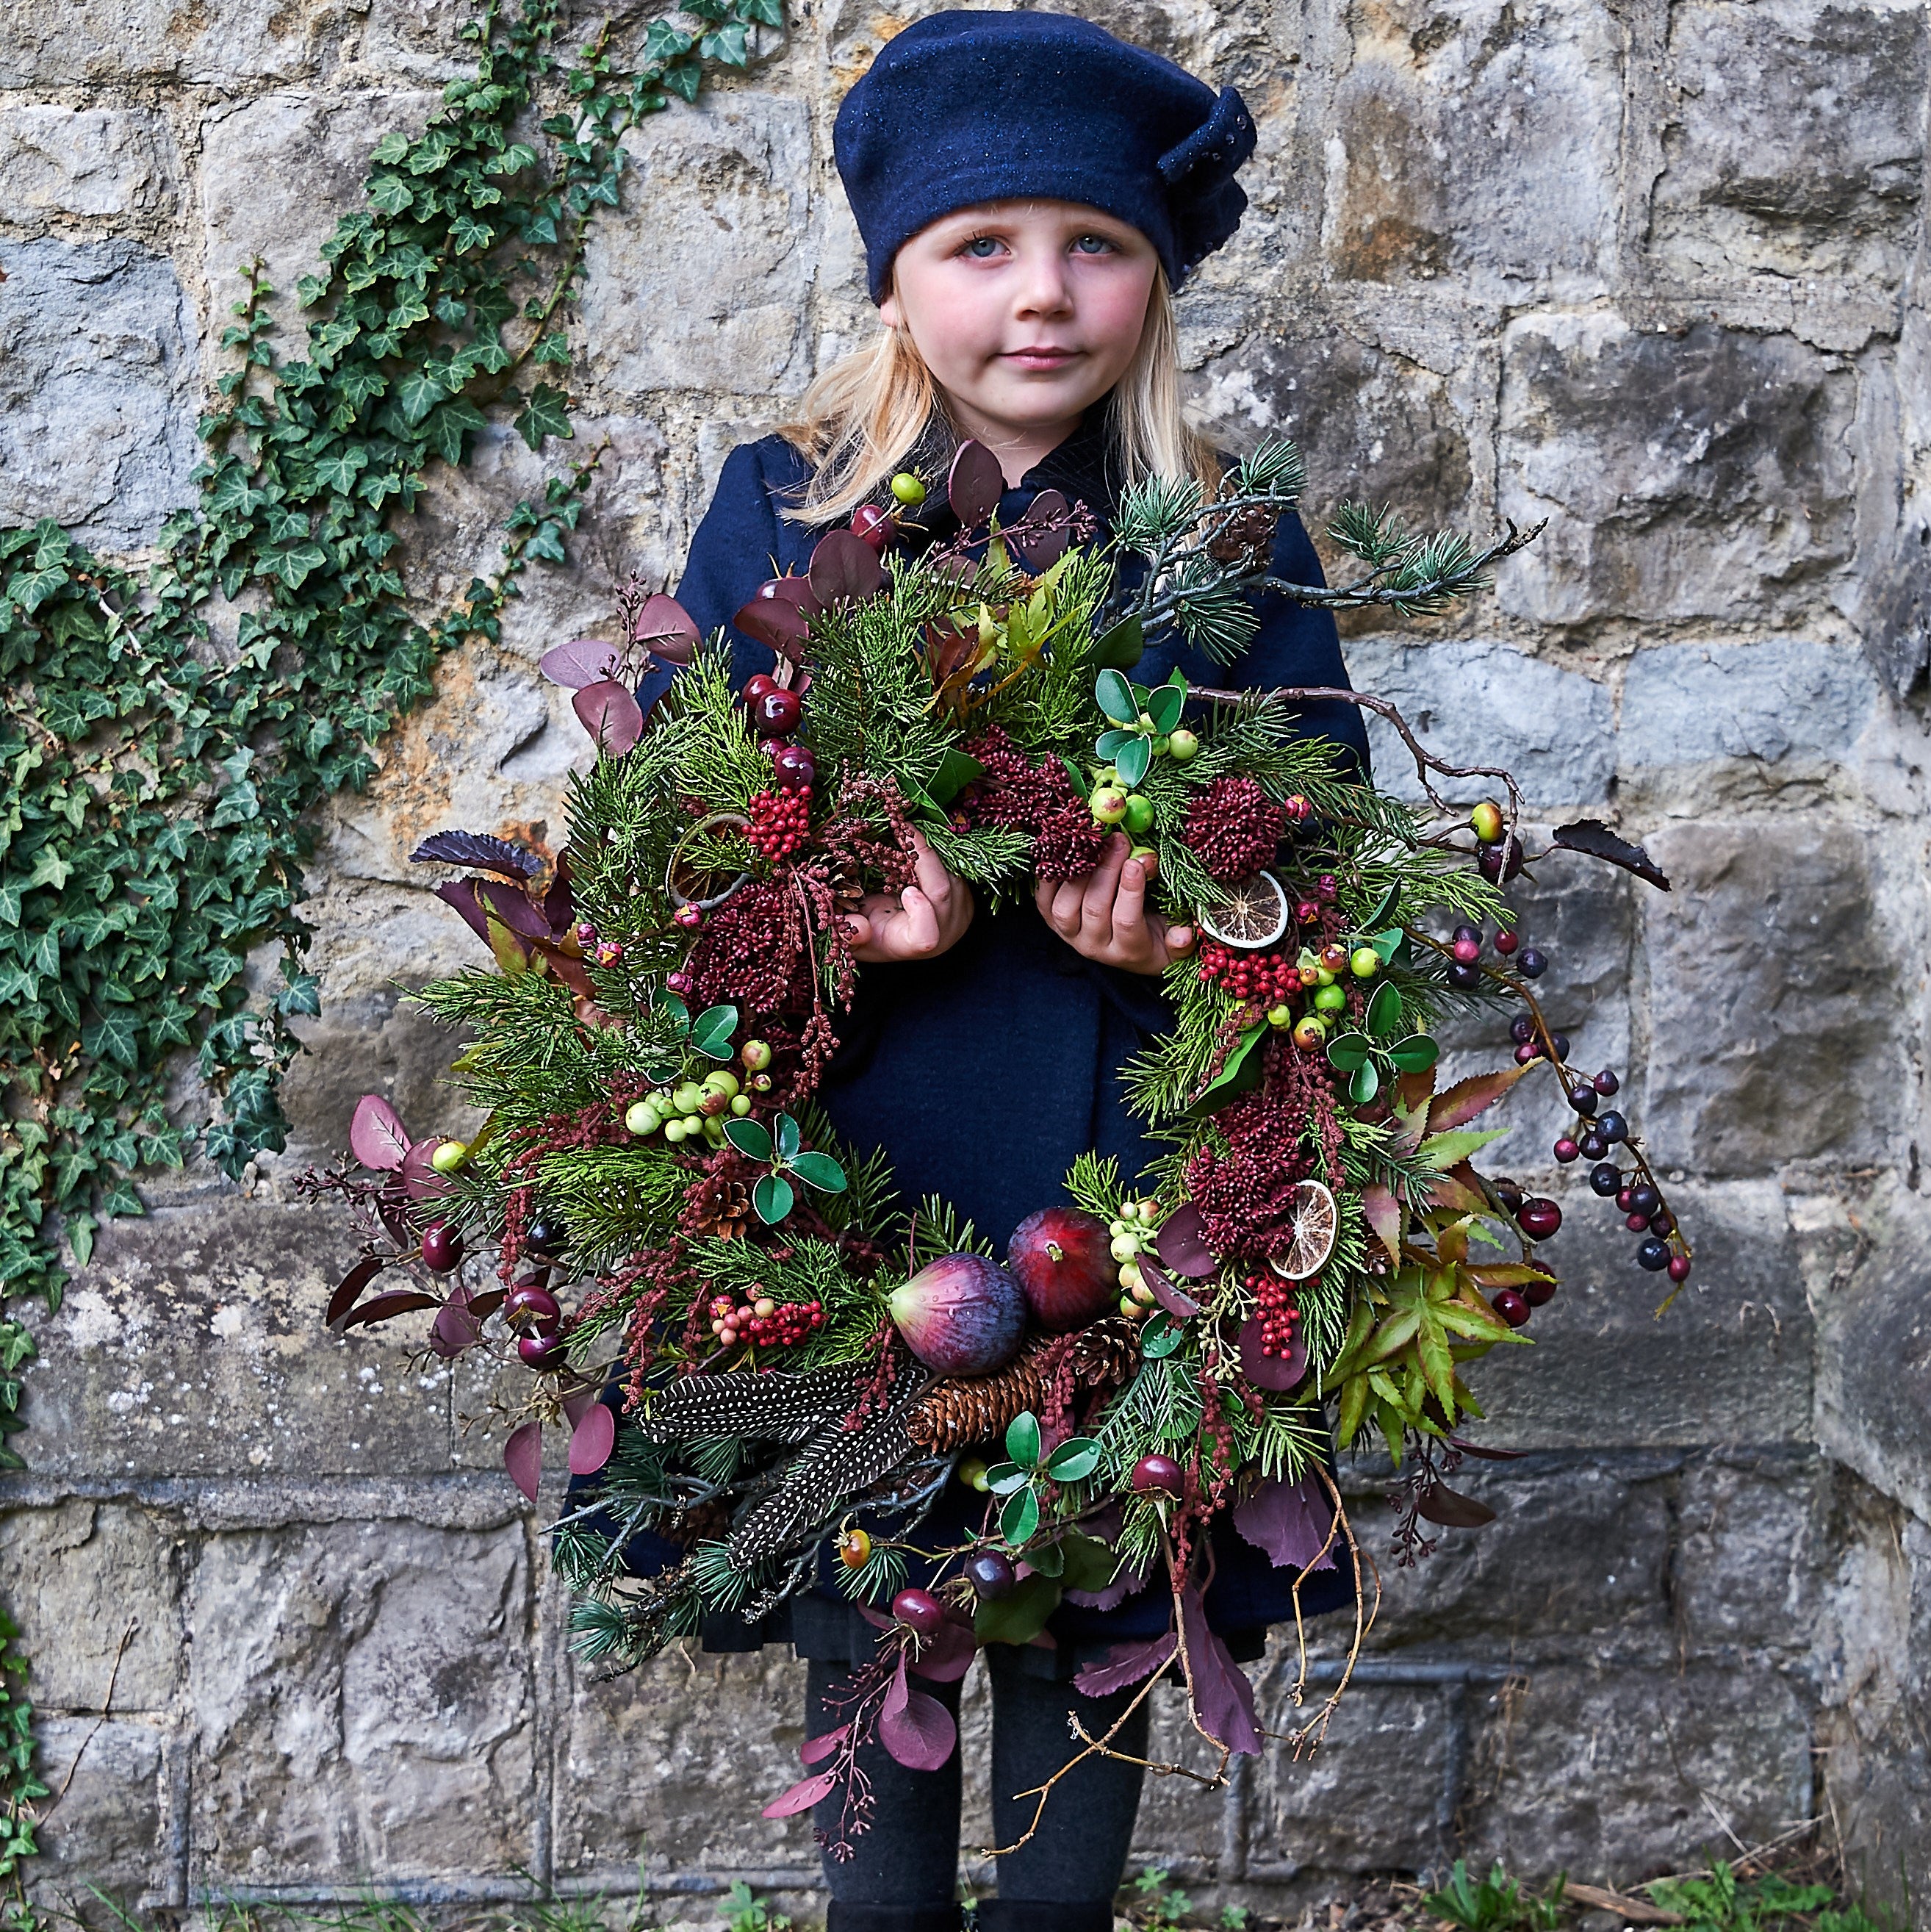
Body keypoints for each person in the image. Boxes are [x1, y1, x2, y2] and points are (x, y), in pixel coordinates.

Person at [621, 15, 1369, 1930]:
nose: (1040, 295)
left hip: (1129, 1193)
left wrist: (1200, 923)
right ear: (897, 275)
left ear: (1154, 274)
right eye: (981, 247)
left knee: (1088, 1643)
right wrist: (834, 911)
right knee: (877, 1648)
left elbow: (1327, 863)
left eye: (1092, 244)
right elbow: (677, 856)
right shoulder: (782, 514)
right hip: (859, 1200)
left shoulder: (1227, 545)